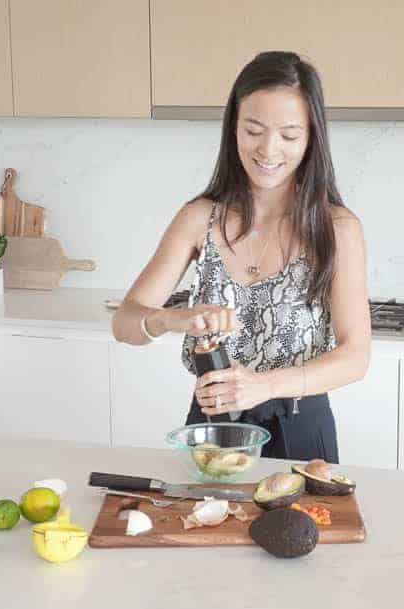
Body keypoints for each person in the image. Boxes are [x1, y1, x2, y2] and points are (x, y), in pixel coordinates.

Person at [112, 51, 370, 464]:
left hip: (301, 429)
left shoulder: (337, 229)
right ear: (234, 127)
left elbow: (355, 357)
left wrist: (265, 385)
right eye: (253, 130)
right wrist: (172, 319)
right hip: (213, 427)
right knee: (204, 526)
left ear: (311, 138)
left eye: (288, 135)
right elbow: (124, 323)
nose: (268, 150)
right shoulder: (199, 218)